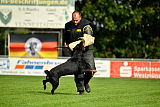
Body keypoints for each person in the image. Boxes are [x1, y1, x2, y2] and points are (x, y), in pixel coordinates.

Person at [63, 11, 96, 95]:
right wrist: (66, 43)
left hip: (87, 50)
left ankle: (85, 82)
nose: (75, 22)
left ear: (80, 18)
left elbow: (89, 38)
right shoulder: (67, 25)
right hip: (75, 51)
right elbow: (66, 36)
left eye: (77, 20)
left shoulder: (86, 25)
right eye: (74, 20)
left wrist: (83, 43)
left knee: (91, 70)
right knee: (78, 71)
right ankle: (81, 90)